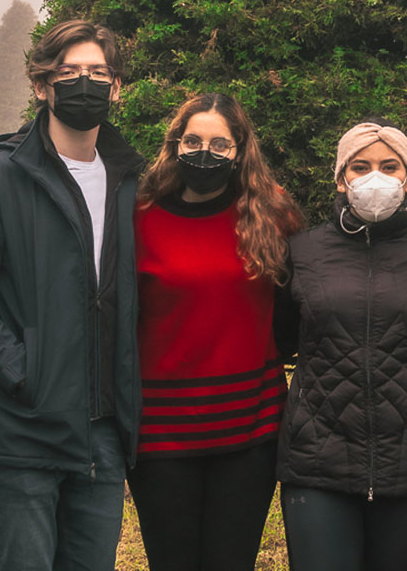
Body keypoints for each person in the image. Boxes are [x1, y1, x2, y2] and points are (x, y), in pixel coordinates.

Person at [0, 20, 145, 571]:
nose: (85, 83)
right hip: (20, 433)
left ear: (117, 87)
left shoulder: (132, 186)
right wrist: (26, 371)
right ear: (42, 86)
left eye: (98, 72)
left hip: (100, 438)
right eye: (69, 73)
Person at [277, 120, 407, 571]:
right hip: (316, 460)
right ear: (341, 178)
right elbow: (282, 338)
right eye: (359, 166)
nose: (374, 176)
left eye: (389, 165)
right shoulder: (303, 251)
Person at [126, 92, 305, 571]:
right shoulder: (139, 217)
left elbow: (294, 312)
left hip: (250, 429)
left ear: (240, 150)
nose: (204, 152)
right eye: (193, 140)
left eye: (219, 144)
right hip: (161, 432)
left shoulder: (272, 216)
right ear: (175, 145)